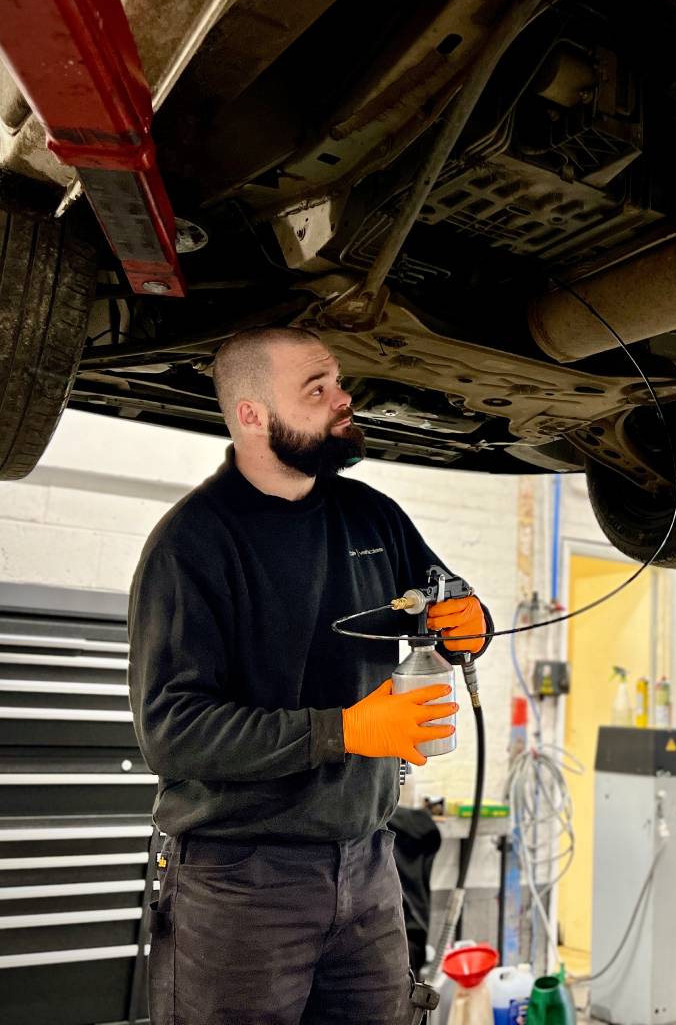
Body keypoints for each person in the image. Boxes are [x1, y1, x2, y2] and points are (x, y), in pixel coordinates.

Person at [128, 325, 490, 1024]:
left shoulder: (373, 516)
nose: (344, 399)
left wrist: (472, 623)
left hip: (369, 864)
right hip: (242, 881)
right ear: (252, 416)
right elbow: (173, 733)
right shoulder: (192, 544)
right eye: (316, 390)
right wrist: (346, 730)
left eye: (339, 383)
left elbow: (447, 601)